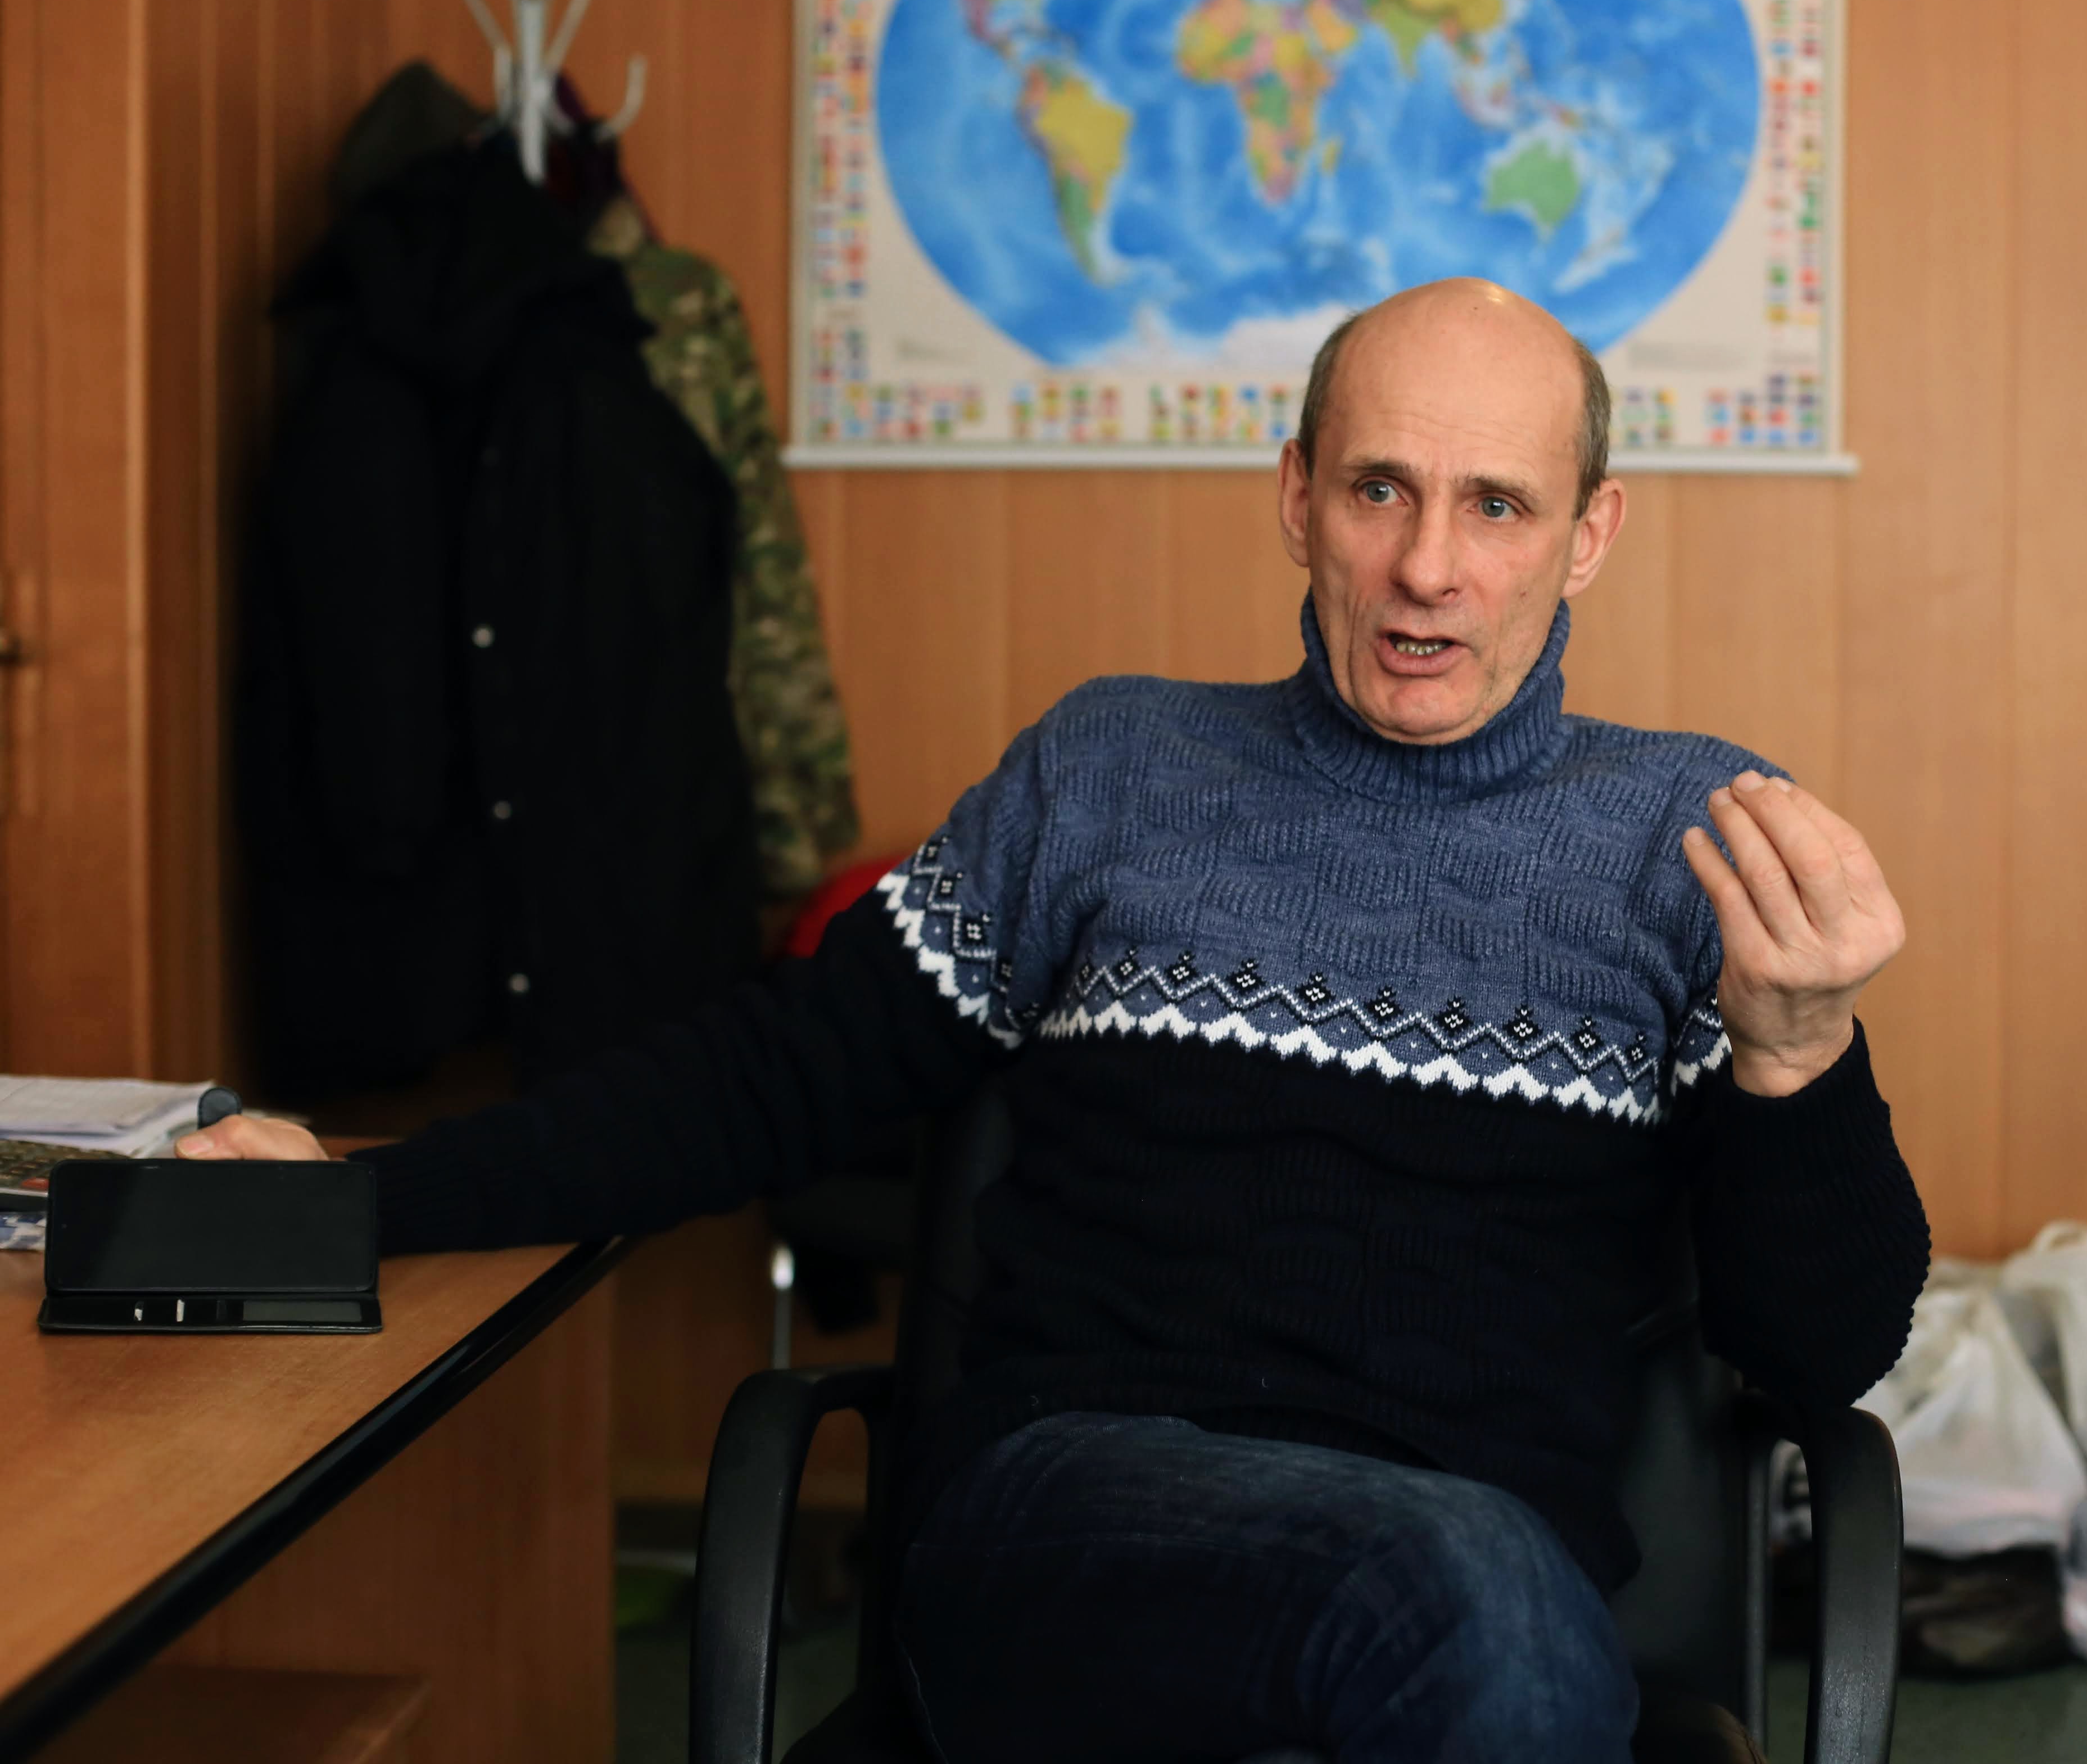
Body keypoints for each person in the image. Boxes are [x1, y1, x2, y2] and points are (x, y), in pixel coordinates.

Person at [187, 278, 1930, 1763]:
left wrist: (1798, 1060)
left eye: (1496, 507)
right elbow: (764, 1079)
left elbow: (1815, 1352)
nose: (1428, 567)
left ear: (1587, 534)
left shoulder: (1691, 843)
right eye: (1377, 490)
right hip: (1074, 1521)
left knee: (1461, 1601)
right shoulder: (1111, 769)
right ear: (1295, 497)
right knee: (1458, 1595)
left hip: (1481, 1584)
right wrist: (361, 1198)